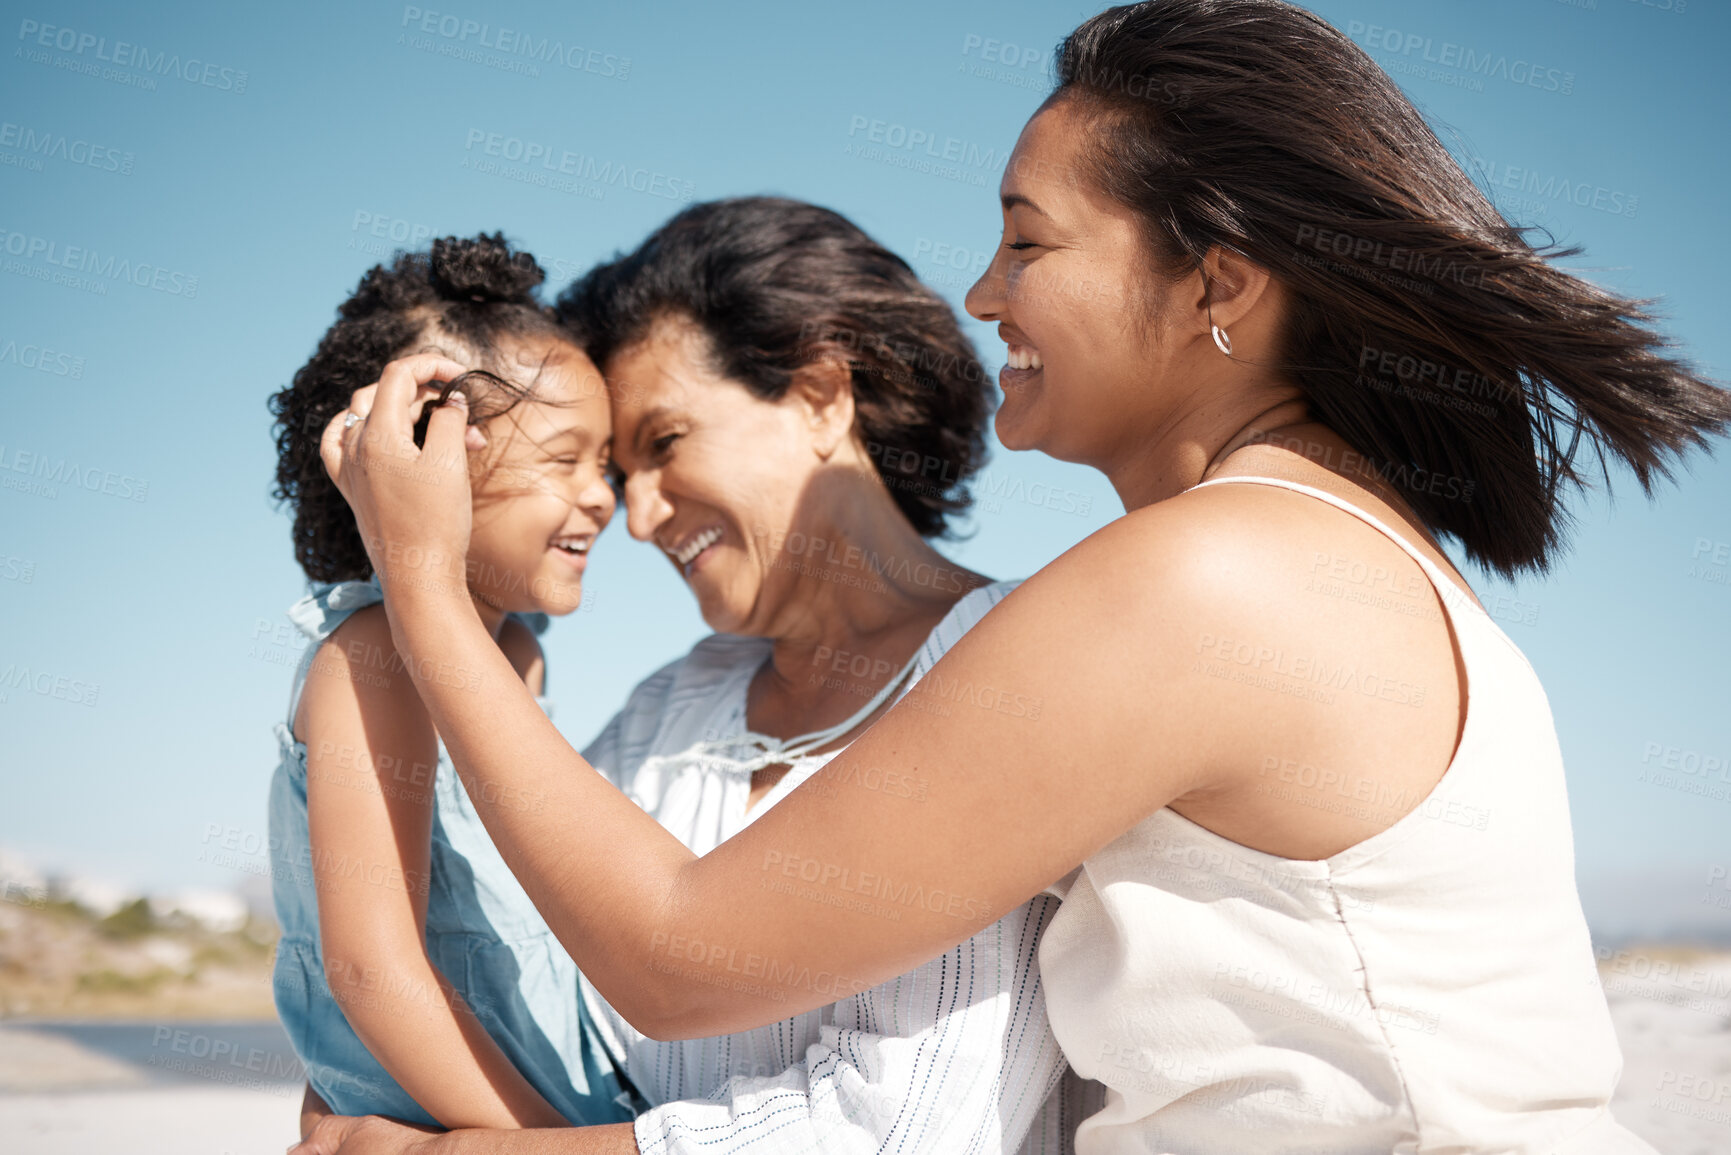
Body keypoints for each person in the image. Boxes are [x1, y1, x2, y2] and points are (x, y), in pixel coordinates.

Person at [304, 2, 1730, 1151]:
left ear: (1216, 287)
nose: (981, 295)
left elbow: (681, 954)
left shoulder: (1212, 575)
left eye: (1027, 240)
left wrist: (418, 582)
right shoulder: (1307, 546)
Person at [301, 199, 1073, 1155]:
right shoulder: (677, 701)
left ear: (823, 394)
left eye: (663, 444)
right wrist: (352, 1071)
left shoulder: (1024, 654)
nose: (639, 515)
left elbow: (893, 1133)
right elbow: (501, 950)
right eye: (619, 474)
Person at [267, 233, 633, 1132]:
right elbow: (371, 968)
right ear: (431, 458)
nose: (603, 497)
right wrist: (551, 1145)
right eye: (563, 459)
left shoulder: (522, 656)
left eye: (607, 463)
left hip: (549, 1098)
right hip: (470, 1121)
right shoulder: (374, 659)